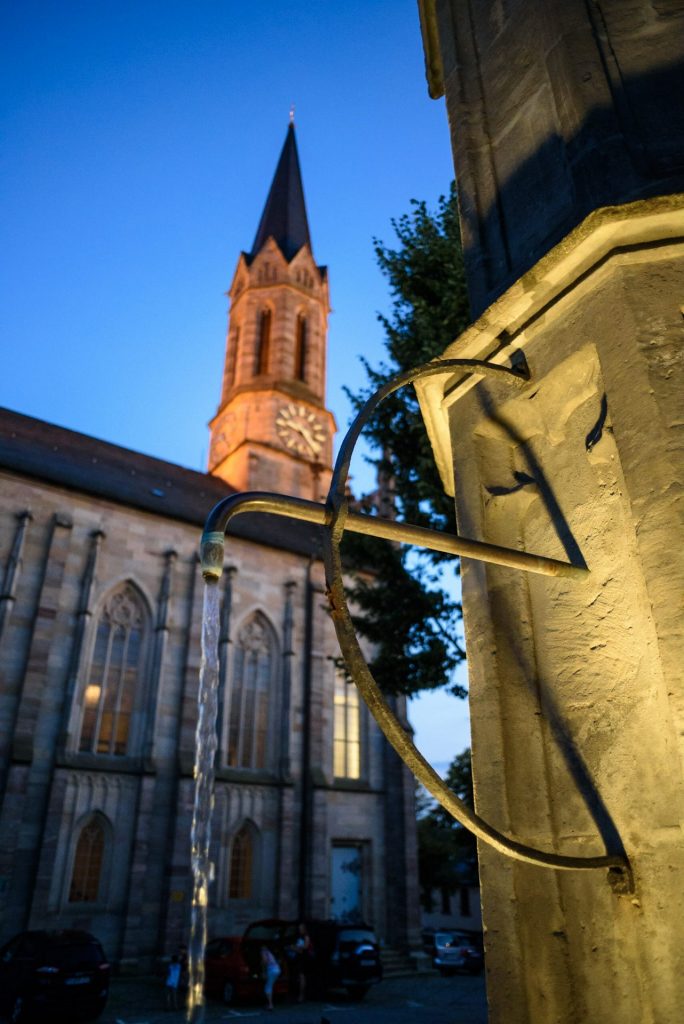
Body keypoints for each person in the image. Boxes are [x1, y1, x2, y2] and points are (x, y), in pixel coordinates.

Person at [292, 922, 313, 1003]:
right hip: (299, 957)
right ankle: (300, 994)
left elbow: (305, 947)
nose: (299, 929)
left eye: (301, 928)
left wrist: (298, 948)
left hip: (304, 958)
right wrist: (294, 948)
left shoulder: (306, 936)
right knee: (300, 976)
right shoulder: (299, 937)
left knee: (302, 976)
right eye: (299, 928)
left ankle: (302, 995)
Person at [261, 944, 281, 1011]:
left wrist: (263, 972)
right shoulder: (270, 953)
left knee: (267, 987)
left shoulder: (263, 952)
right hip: (277, 969)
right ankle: (269, 1003)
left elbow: (265, 962)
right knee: (270, 986)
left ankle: (270, 1005)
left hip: (272, 970)